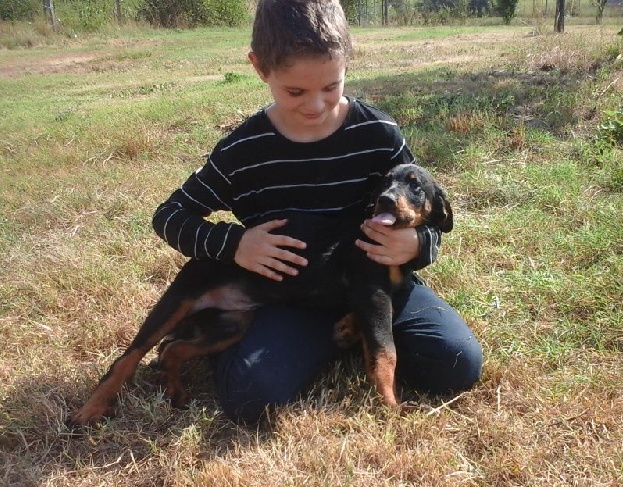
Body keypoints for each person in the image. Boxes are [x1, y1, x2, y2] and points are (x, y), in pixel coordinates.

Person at [152, 0, 482, 425]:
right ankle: (311, 340)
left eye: (332, 86)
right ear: (260, 68)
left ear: (347, 63)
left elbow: (423, 206)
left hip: (375, 283)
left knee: (457, 364)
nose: (316, 105)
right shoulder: (242, 151)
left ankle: (345, 334)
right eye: (295, 91)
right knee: (250, 396)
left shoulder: (378, 133)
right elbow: (170, 214)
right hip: (293, 295)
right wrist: (236, 244)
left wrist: (417, 244)